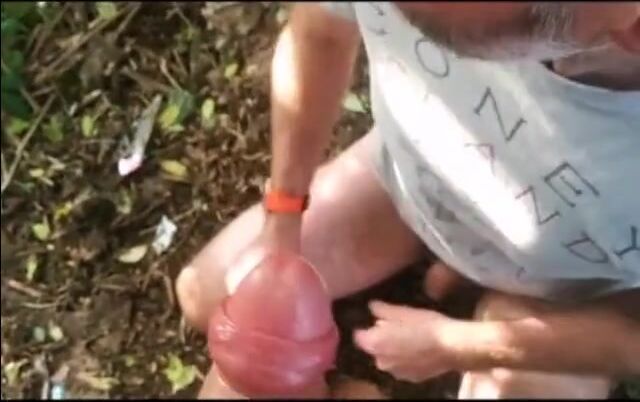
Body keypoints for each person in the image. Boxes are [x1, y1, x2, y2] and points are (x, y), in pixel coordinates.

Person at [176, 2, 640, 399]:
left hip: (580, 286)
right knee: (210, 294)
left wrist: (459, 345)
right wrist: (284, 212)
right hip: (417, 180)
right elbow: (319, 34)